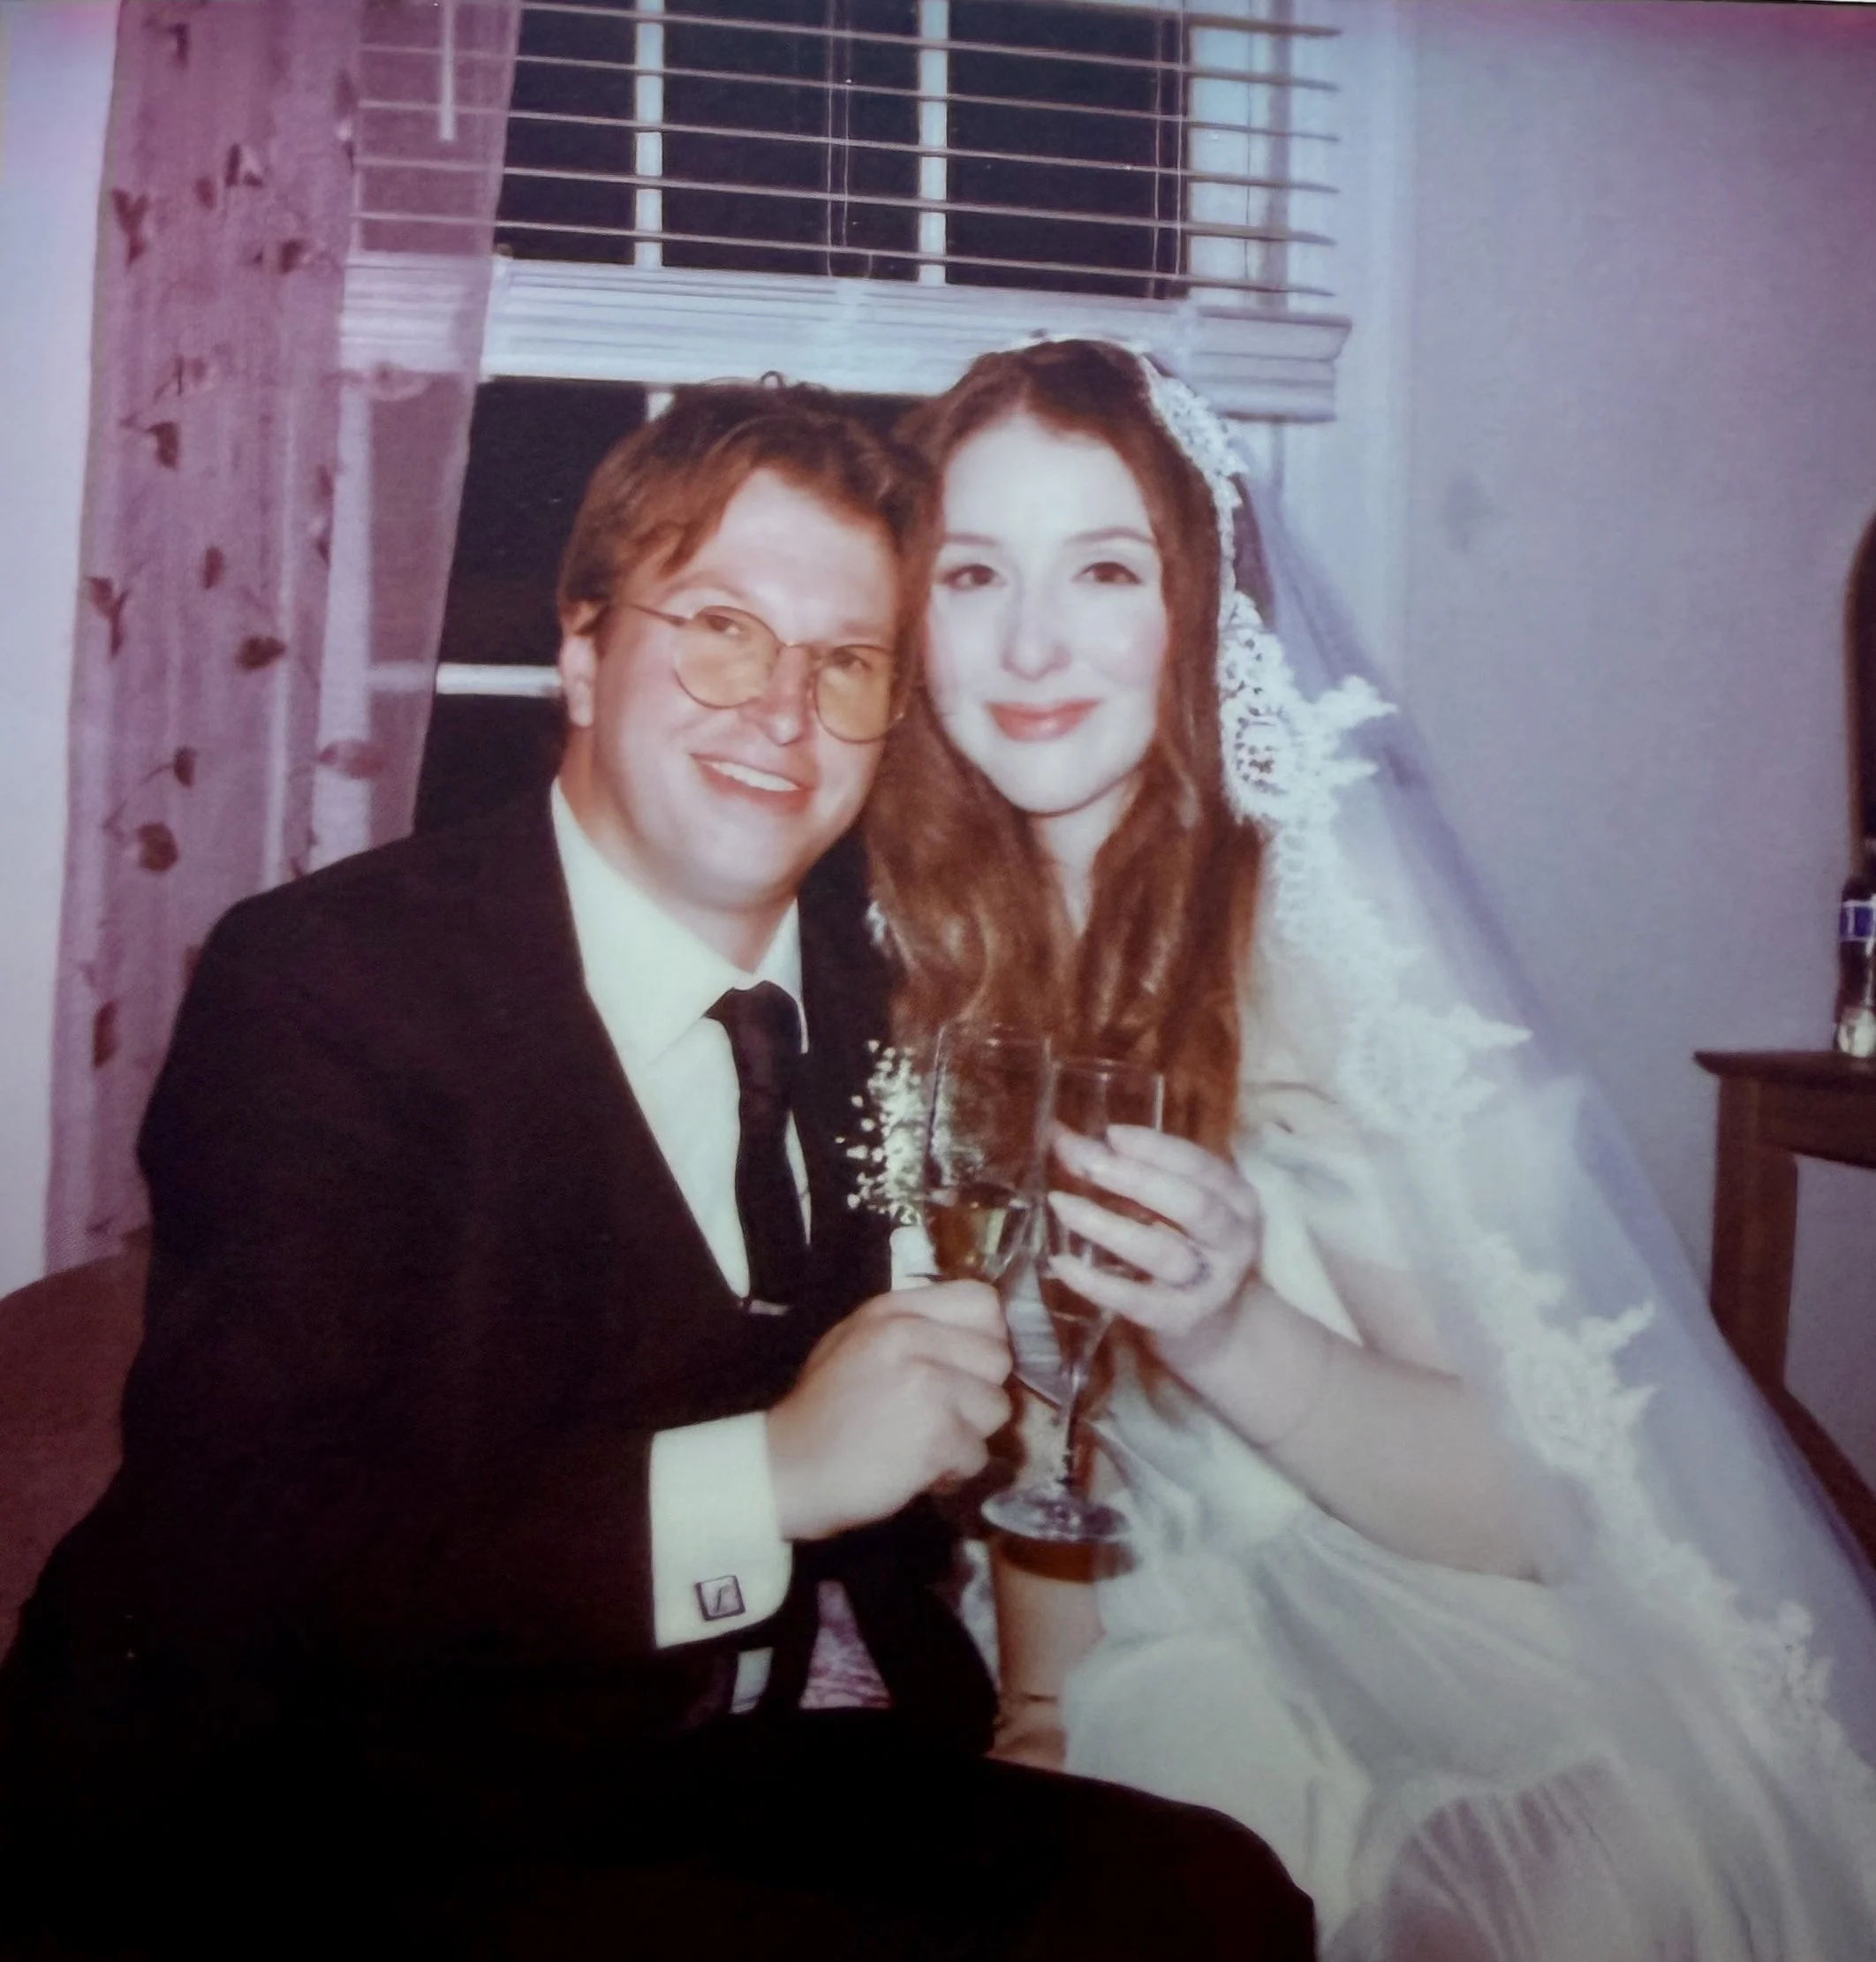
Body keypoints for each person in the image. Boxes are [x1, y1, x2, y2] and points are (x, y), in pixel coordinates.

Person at [0, 381, 1313, 1959]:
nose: (782, 712)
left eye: (846, 663)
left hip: (753, 1779)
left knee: (1209, 1900)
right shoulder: (327, 987)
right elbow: (243, 1540)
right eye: (722, 631)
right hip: (334, 1811)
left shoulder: (895, 1002)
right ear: (579, 650)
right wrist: (772, 1478)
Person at [864, 337, 1876, 1959]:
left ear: (1203, 607)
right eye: (975, 572)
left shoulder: (1322, 953)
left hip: (1446, 1645)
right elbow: (1051, 1433)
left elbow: (1547, 1505)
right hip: (1148, 1647)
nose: (1032, 641)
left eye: (1107, 568)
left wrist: (1230, 1328)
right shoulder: (934, 946)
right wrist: (1040, 1708)